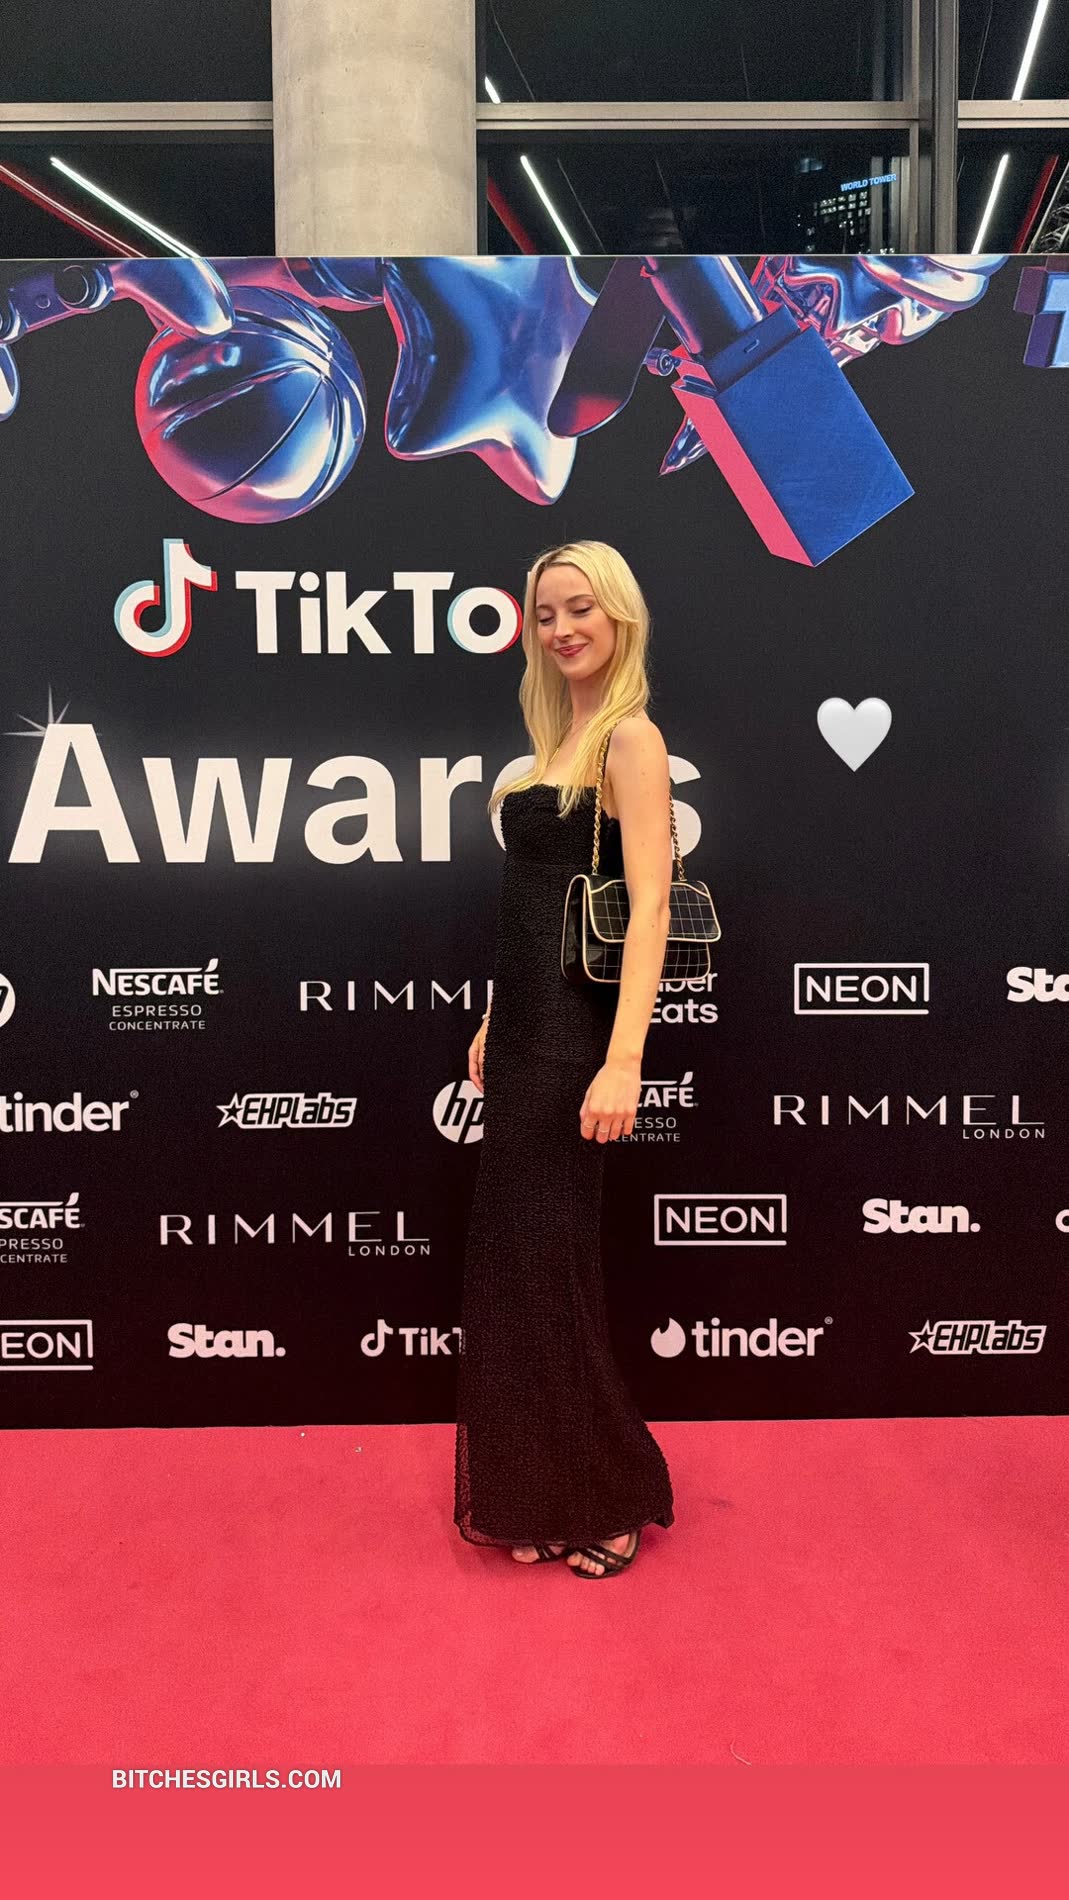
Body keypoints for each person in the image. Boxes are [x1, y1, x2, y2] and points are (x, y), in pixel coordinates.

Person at [454, 539, 676, 1579]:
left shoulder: (631, 737)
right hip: (522, 1032)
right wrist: (495, 1016)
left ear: (618, 614)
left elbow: (649, 910)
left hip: (576, 1039)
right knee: (518, 1269)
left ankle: (609, 1494)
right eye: (545, 614)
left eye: (579, 608)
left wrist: (624, 1059)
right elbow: (536, 905)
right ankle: (540, 1490)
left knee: (552, 1268)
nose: (561, 629)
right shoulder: (553, 739)